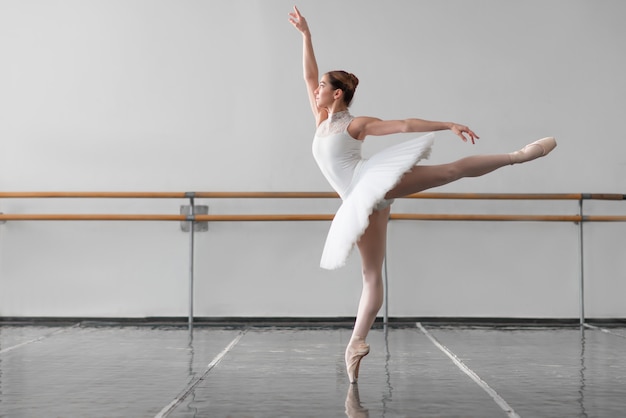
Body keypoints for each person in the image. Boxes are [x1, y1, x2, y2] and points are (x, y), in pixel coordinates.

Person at [288, 6, 556, 384]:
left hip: (370, 183)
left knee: (449, 171)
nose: (314, 89)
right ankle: (355, 344)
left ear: (336, 94)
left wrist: (446, 124)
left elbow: (404, 125)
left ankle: (517, 156)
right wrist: (306, 35)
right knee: (370, 276)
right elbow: (308, 74)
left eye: (321, 88)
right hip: (360, 203)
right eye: (315, 88)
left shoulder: (355, 124)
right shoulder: (320, 121)